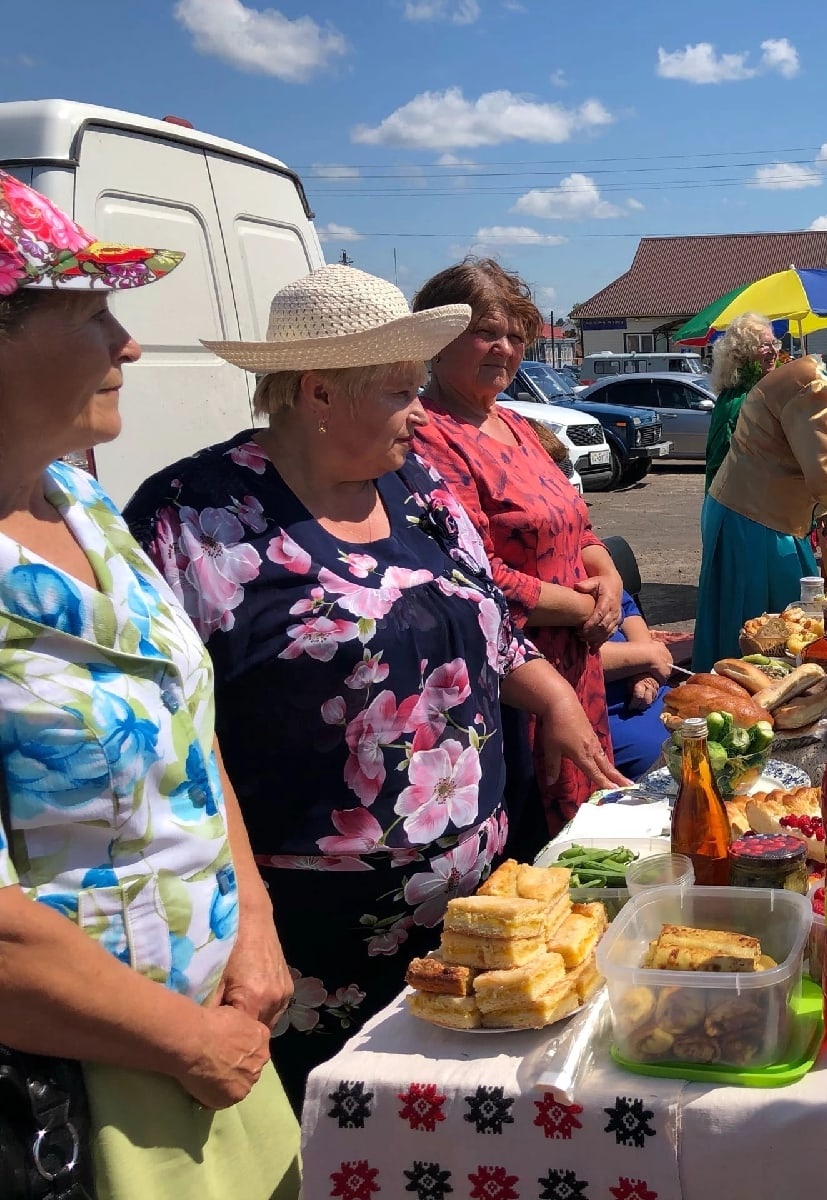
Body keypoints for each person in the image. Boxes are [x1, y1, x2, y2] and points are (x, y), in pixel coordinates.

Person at [125, 264, 625, 1105]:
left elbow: (489, 621)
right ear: (319, 394)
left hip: (474, 912)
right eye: (400, 391)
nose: (422, 411)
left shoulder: (416, 486)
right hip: (314, 939)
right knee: (347, 1138)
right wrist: (246, 921)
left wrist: (556, 698)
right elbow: (173, 737)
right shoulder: (191, 516)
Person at [0, 172, 300, 1198]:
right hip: (65, 1096)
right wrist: (186, 1042)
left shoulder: (81, 502)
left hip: (209, 1039)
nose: (128, 344)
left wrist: (253, 926)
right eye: (93, 313)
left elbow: (188, 727)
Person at [408, 258, 629, 841]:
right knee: (534, 845)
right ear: (436, 338)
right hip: (511, 680)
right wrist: (589, 610)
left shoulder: (516, 424)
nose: (503, 347)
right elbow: (477, 573)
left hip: (577, 667)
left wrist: (610, 580)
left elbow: (578, 527)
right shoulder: (429, 434)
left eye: (514, 334)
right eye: (485, 331)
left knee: (586, 838)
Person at [692, 318, 827, 667]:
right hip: (754, 517)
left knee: (789, 624)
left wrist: (822, 512)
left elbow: (799, 459)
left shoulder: (816, 377)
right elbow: (825, 477)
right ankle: (748, 702)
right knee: (766, 632)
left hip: (764, 515)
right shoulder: (815, 387)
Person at [601, 591, 676, 780]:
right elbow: (556, 659)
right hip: (604, 712)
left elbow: (627, 609)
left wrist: (645, 672)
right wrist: (645, 657)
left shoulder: (590, 566)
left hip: (652, 690)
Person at [705, 312, 780, 491]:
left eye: (774, 343)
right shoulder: (735, 402)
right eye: (764, 345)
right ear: (743, 353)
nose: (774, 351)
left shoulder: (769, 391)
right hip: (742, 505)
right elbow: (720, 465)